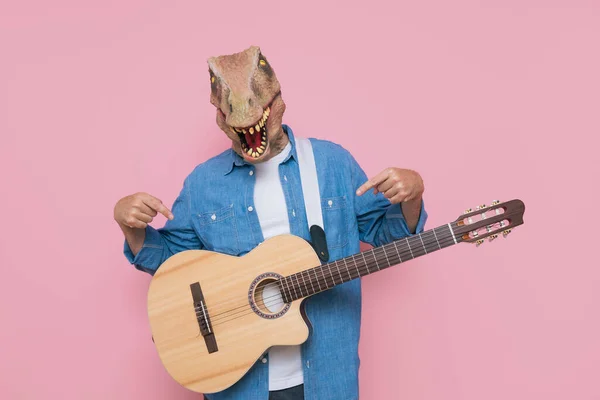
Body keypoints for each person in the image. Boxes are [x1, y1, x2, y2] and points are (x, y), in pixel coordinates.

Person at [114, 46, 427, 400]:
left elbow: (390, 237)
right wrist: (130, 225)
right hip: (238, 383)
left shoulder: (332, 163)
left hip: (327, 379)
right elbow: (170, 265)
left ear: (278, 101)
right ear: (219, 115)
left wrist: (412, 194)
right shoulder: (203, 183)